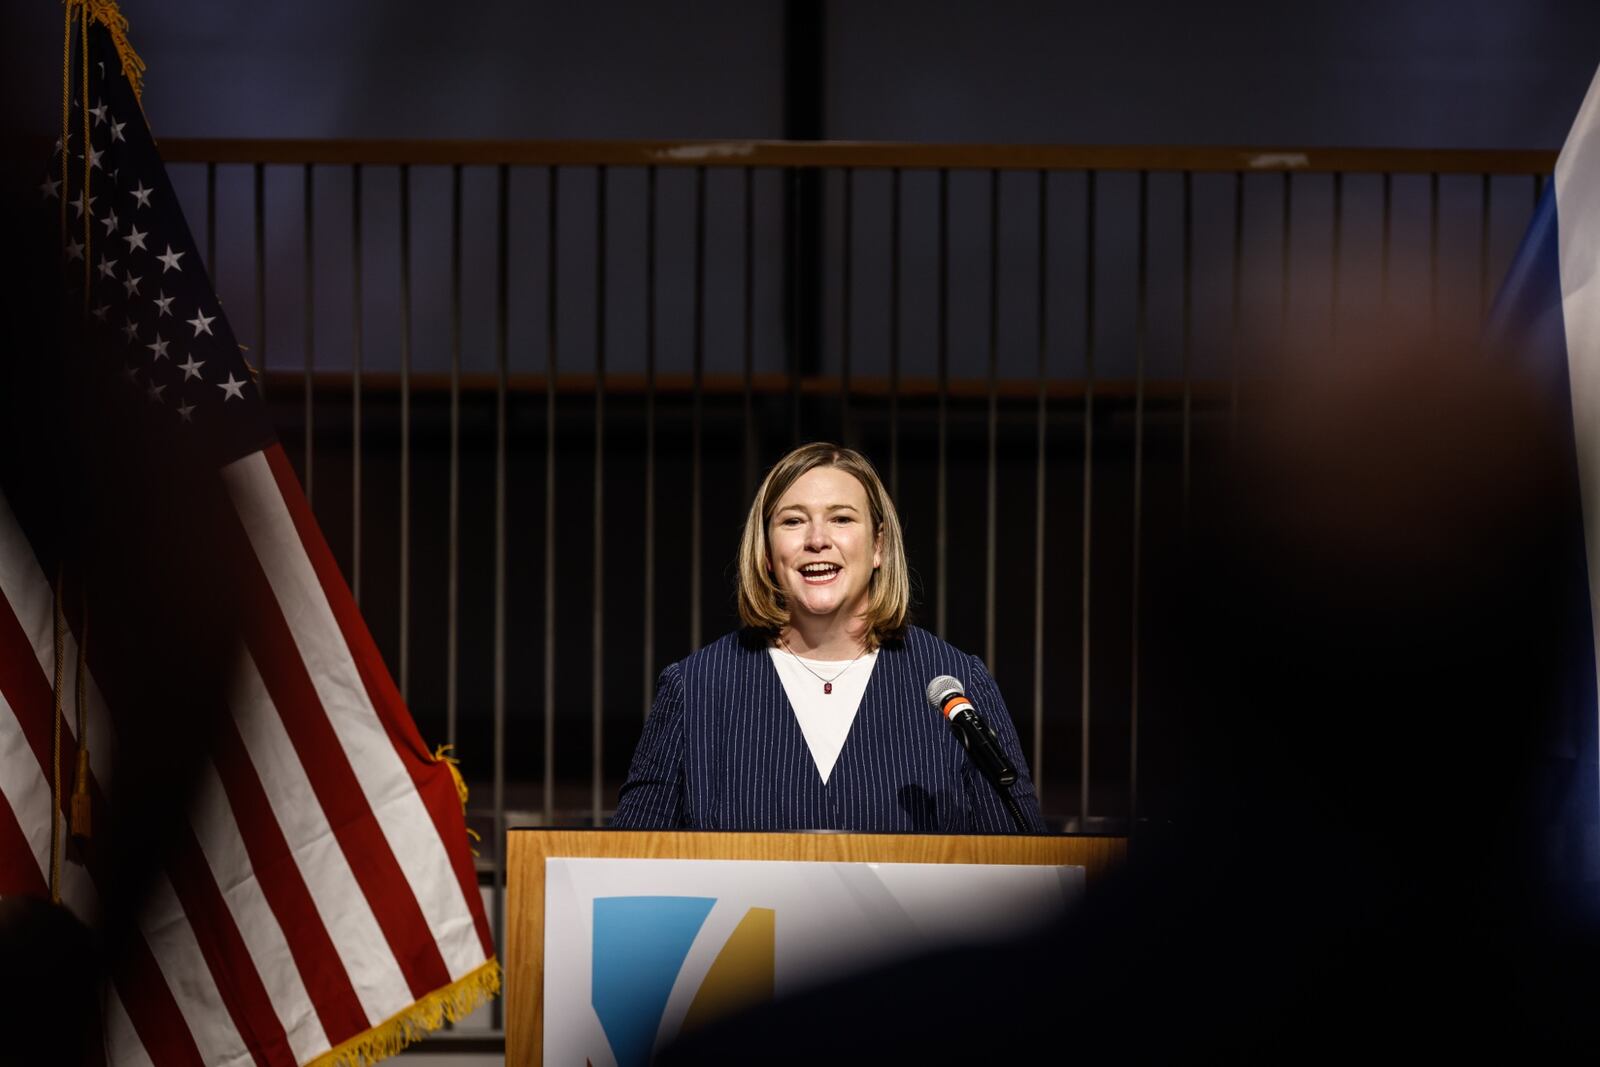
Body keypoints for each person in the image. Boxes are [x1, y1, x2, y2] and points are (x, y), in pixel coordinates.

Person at [612, 442, 1045, 832]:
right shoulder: (696, 688)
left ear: (878, 546)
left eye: (841, 519)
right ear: (766, 553)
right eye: (793, 521)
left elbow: (1027, 863)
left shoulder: (954, 681)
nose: (817, 540)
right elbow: (627, 864)